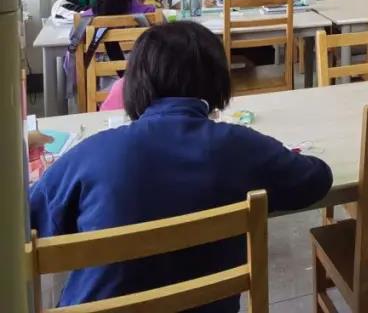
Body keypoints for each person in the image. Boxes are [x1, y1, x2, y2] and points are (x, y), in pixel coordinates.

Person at [30, 22, 332, 310]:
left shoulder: (93, 154)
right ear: (218, 82)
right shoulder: (241, 146)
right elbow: (317, 178)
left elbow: (28, 221)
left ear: (135, 84)